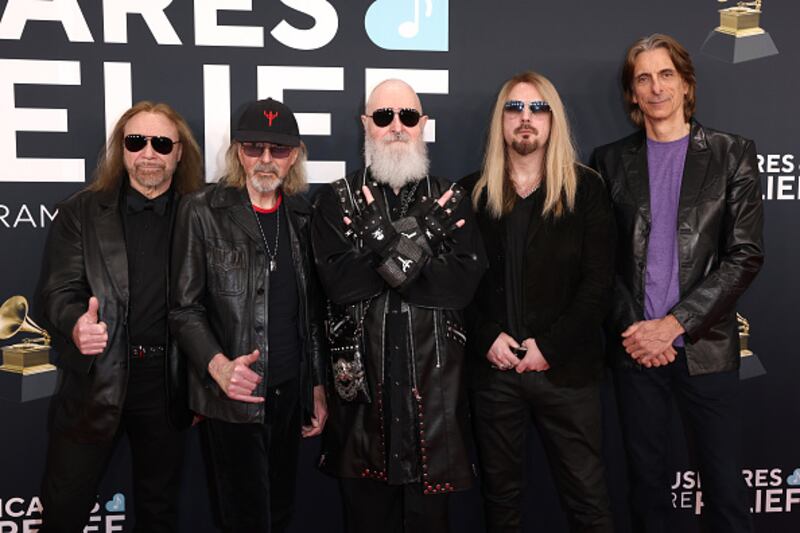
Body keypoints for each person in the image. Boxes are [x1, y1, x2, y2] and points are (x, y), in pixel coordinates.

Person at [590, 33, 764, 533]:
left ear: (686, 84)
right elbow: (599, 261)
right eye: (643, 78)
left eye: (666, 74)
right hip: (635, 349)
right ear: (632, 92)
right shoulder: (608, 161)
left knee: (726, 491)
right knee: (645, 489)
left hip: (705, 347)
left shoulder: (732, 153)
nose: (656, 87)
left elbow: (745, 255)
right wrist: (638, 331)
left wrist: (674, 325)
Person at [311, 79, 486, 533]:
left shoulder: (451, 198)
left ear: (422, 124)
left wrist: (381, 246)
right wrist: (421, 240)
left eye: (407, 116)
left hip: (434, 395)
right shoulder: (336, 198)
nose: (396, 127)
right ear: (365, 124)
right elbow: (342, 286)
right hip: (362, 400)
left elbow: (458, 287)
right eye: (383, 117)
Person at [36, 101, 204, 532]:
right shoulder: (81, 212)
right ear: (121, 149)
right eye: (136, 142)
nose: (148, 153)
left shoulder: (200, 216)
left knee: (159, 511)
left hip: (167, 385)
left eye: (161, 143)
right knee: (64, 509)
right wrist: (76, 323)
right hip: (95, 381)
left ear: (179, 152)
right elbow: (58, 290)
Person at [460, 71, 616, 533]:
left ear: (553, 119)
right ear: (501, 121)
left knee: (588, 502)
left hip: (567, 373)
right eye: (514, 108)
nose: (525, 117)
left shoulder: (587, 190)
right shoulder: (471, 194)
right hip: (495, 375)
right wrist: (486, 338)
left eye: (537, 107)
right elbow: (455, 288)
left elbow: (598, 285)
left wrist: (550, 346)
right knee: (501, 504)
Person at [169, 98, 328, 533]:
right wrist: (219, 367)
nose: (265, 159)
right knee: (245, 518)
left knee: (281, 511)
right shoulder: (202, 210)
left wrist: (315, 386)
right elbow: (183, 309)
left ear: (294, 156)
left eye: (278, 149)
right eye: (254, 147)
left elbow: (311, 314)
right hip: (233, 395)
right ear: (238, 152)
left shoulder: (302, 216)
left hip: (290, 392)